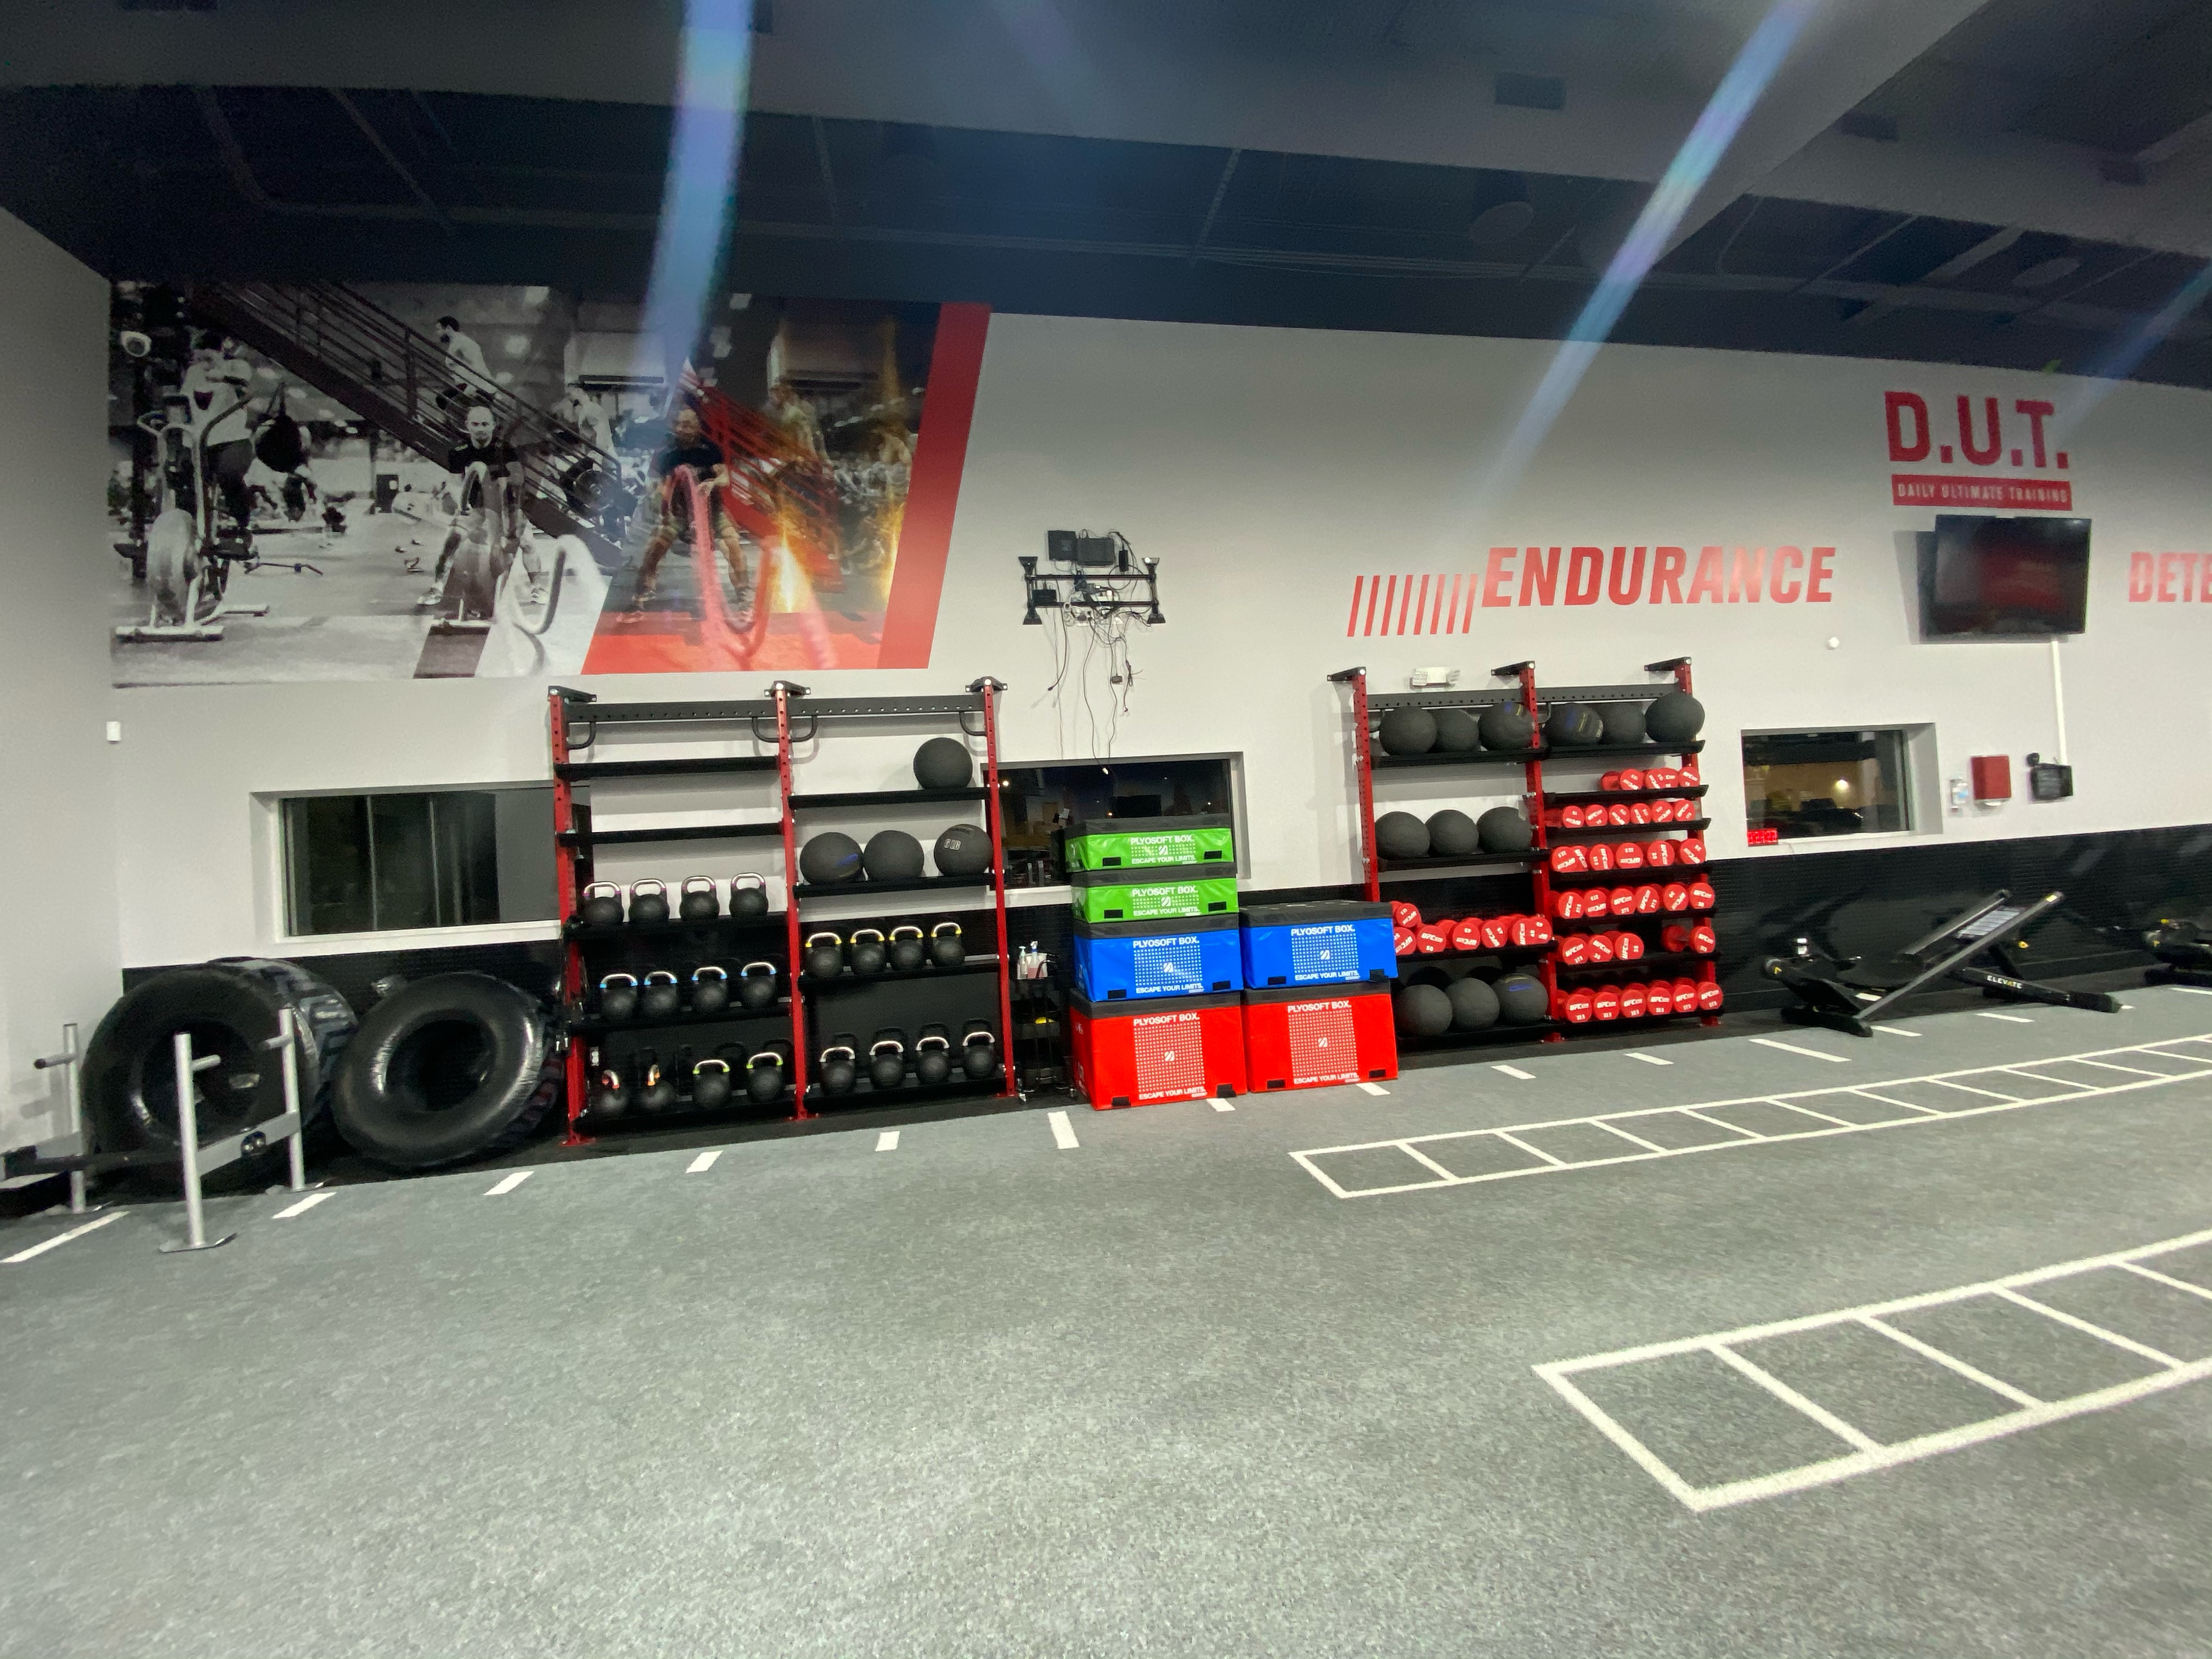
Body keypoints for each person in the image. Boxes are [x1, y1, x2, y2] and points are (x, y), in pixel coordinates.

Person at [419, 405, 544, 608]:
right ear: (467, 426)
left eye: (485, 424)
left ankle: (538, 587)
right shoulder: (459, 452)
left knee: (527, 542)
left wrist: (505, 490)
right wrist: (462, 503)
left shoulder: (505, 450)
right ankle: (437, 587)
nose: (480, 429)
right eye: (475, 424)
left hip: (506, 505)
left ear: (493, 426)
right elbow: (454, 483)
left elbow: (518, 479)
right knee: (452, 540)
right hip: (475, 506)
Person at [630, 403, 751, 613]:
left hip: (712, 510)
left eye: (688, 425)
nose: (682, 429)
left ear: (697, 427)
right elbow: (663, 487)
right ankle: (642, 591)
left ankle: (743, 591)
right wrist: (663, 510)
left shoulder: (709, 449)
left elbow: (724, 478)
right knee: (655, 547)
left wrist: (712, 484)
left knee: (733, 543)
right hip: (681, 512)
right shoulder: (669, 453)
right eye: (679, 425)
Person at [179, 335, 258, 534]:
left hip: (231, 440)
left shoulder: (235, 367)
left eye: (209, 359)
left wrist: (224, 378)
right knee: (182, 477)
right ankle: (189, 525)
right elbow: (183, 400)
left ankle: (242, 523)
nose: (204, 366)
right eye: (199, 360)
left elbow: (244, 383)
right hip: (199, 440)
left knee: (229, 476)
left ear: (221, 352)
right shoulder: (194, 373)